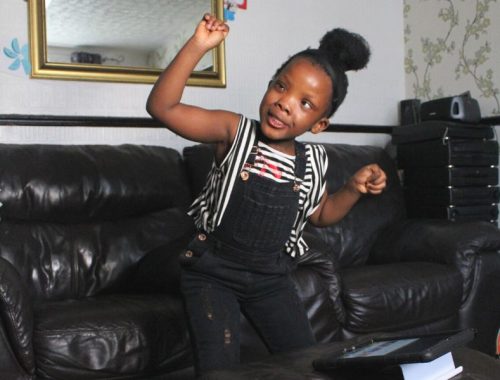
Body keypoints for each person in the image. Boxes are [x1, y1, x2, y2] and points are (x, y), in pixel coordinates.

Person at [147, 14, 387, 376]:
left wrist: (352, 189)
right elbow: (162, 107)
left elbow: (321, 214)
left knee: (311, 366)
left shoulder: (312, 161)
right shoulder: (233, 131)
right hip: (212, 274)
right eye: (280, 86)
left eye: (306, 104)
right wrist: (198, 46)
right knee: (219, 372)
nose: (285, 103)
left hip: (270, 280)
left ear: (319, 125)